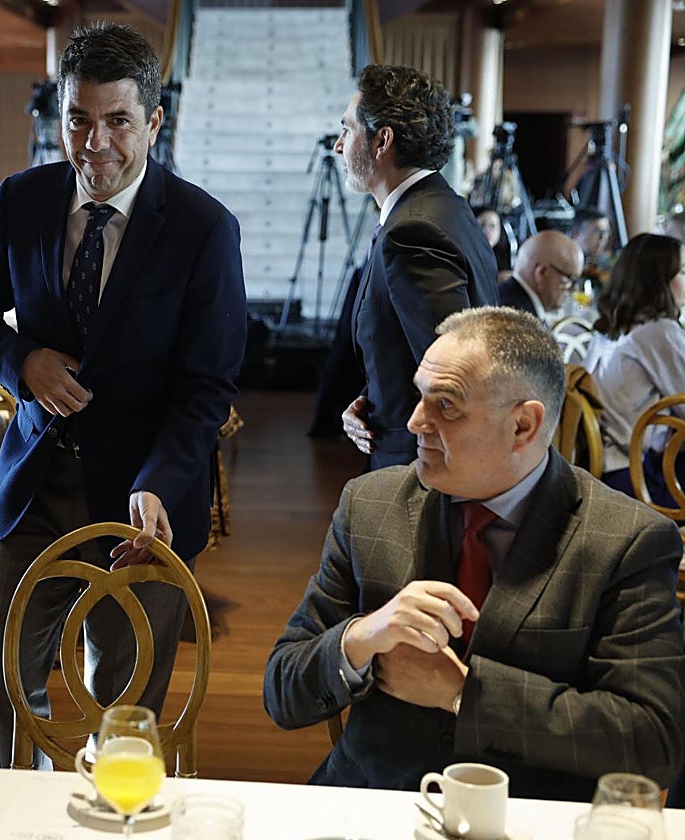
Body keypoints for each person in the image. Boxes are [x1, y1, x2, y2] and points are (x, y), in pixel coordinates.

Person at [0, 22, 246, 769]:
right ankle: (13, 813)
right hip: (34, 483)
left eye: (117, 121)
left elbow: (205, 389)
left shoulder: (205, 229)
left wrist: (159, 487)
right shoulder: (22, 200)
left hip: (145, 501)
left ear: (154, 121)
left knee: (122, 691)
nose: (94, 143)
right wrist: (23, 361)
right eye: (79, 119)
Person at [264, 306, 685, 800]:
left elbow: (651, 740)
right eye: (420, 394)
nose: (415, 421)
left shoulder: (626, 539)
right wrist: (360, 637)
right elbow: (282, 691)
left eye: (445, 405)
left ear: (523, 426)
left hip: (527, 815)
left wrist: (463, 693)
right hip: (375, 797)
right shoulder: (370, 504)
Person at [337, 65, 498, 470]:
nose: (339, 145)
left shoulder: (412, 230)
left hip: (423, 468)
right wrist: (372, 398)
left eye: (347, 129)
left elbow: (455, 375)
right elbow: (412, 349)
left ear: (382, 140)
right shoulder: (446, 208)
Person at [582, 233, 685, 504]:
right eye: (683, 271)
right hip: (641, 480)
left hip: (601, 468)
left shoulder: (607, 329)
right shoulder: (659, 331)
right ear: (660, 282)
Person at [497, 229, 583, 323]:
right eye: (569, 280)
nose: (574, 289)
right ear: (542, 272)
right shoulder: (518, 320)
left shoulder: (512, 300)